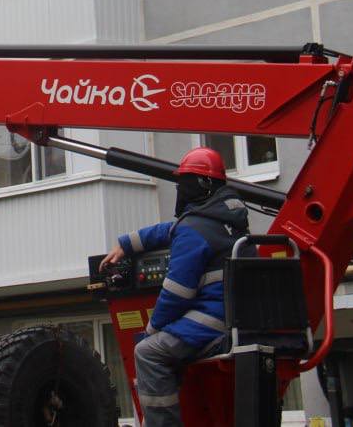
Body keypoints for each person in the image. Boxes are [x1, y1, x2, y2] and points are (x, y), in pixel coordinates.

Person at [99, 147, 250, 427]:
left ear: (200, 185)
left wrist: (151, 330)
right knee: (163, 346)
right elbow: (170, 230)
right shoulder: (227, 222)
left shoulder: (194, 230)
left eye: (184, 182)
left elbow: (176, 294)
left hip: (213, 323)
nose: (180, 189)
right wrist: (127, 243)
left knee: (148, 352)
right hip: (237, 319)